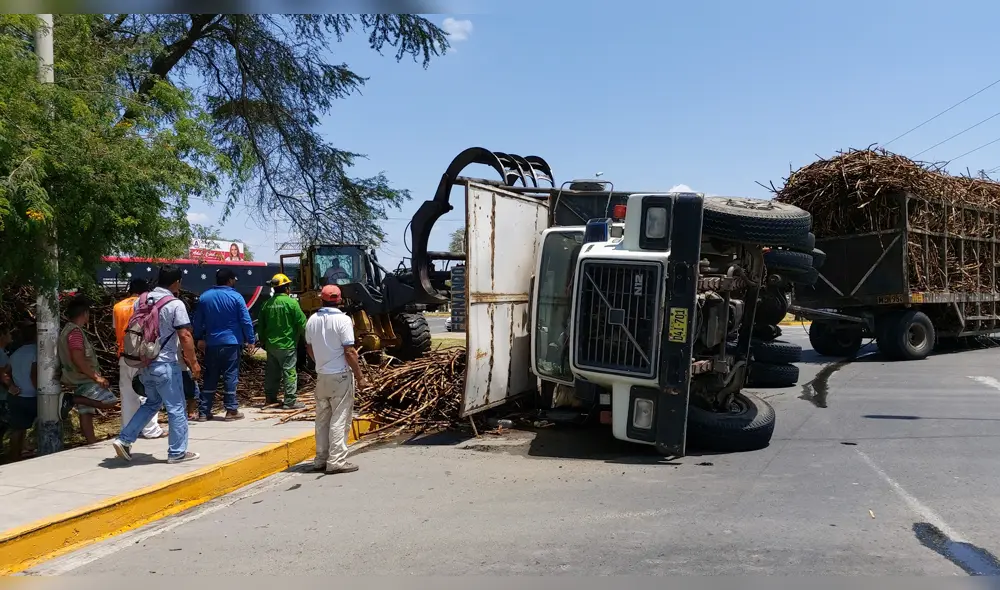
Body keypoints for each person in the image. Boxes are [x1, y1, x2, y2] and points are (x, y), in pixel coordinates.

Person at [112, 264, 201, 464]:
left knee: (152, 402)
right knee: (176, 407)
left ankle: (124, 439)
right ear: (177, 282)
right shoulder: (175, 304)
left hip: (144, 363)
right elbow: (185, 335)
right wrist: (194, 364)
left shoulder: (142, 300)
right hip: (165, 365)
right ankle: (177, 452)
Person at [305, 285, 368, 474]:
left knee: (322, 419)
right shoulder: (343, 320)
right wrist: (360, 376)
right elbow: (349, 351)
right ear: (339, 300)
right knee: (339, 418)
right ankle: (337, 461)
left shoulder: (312, 320)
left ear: (321, 299)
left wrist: (320, 363)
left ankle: (320, 459)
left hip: (322, 375)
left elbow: (309, 347)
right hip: (340, 376)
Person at [192, 268, 255, 421]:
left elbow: (197, 321)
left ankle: (204, 411)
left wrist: (199, 338)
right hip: (231, 343)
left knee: (210, 376)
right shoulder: (236, 297)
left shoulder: (205, 297)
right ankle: (231, 409)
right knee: (230, 376)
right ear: (230, 280)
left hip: (211, 343)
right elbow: (245, 320)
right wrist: (251, 339)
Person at [58, 298, 120, 445]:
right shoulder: (75, 332)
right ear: (85, 313)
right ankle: (70, 399)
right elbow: (77, 357)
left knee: (86, 411)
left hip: (77, 377)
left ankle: (91, 441)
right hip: (82, 378)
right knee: (109, 401)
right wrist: (96, 377)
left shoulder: (68, 330)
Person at [113, 279, 165, 440]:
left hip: (124, 354)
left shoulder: (117, 307)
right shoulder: (145, 306)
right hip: (142, 356)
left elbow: (117, 330)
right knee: (148, 393)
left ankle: (128, 429)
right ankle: (150, 429)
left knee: (128, 395)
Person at [257, 273, 307, 410]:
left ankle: (270, 398)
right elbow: (302, 323)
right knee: (289, 372)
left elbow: (260, 326)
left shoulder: (266, 305)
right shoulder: (292, 303)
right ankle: (290, 401)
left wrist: (263, 341)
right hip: (287, 345)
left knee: (272, 373)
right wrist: (307, 341)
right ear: (286, 288)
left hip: (271, 346)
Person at [6, 323, 36, 462]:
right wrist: (40, 392)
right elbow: (34, 375)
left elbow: (7, 373)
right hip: (32, 396)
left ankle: (14, 457)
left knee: (17, 428)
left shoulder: (15, 354)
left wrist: (11, 386)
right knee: (40, 425)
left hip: (17, 396)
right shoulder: (37, 351)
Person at [0, 324, 14, 453]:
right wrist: (11, 387)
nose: (11, 336)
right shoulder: (1, 354)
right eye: (8, 333)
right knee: (7, 423)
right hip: (2, 397)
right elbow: (2, 375)